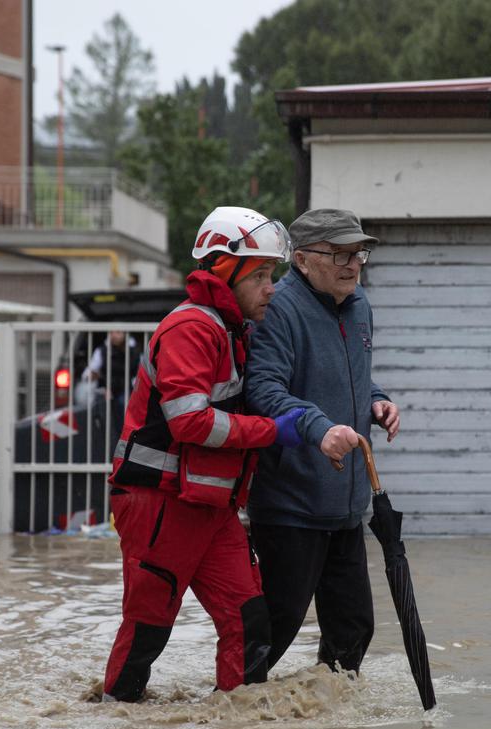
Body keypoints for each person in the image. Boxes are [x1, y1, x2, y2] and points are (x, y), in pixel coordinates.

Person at [101, 206, 312, 702]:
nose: (271, 288)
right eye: (261, 275)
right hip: (160, 503)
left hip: (208, 507)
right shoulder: (192, 329)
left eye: (272, 275)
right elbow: (189, 422)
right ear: (224, 270)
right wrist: (273, 431)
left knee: (250, 623)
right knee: (148, 629)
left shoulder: (229, 328)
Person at [245, 208, 400, 674]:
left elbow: (351, 379)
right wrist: (318, 427)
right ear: (303, 259)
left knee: (354, 629)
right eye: (338, 254)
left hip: (347, 505)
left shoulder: (359, 305)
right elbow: (263, 390)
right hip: (291, 504)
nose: (352, 264)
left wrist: (377, 400)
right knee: (275, 629)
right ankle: (231, 724)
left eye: (359, 253)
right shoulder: (279, 308)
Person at [78, 329, 140, 441]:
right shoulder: (102, 351)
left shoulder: (134, 351)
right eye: (111, 332)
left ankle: (124, 439)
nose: (114, 336)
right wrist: (92, 376)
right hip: (106, 390)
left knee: (123, 403)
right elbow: (89, 372)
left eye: (118, 332)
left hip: (126, 391)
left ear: (125, 334)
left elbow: (139, 375)